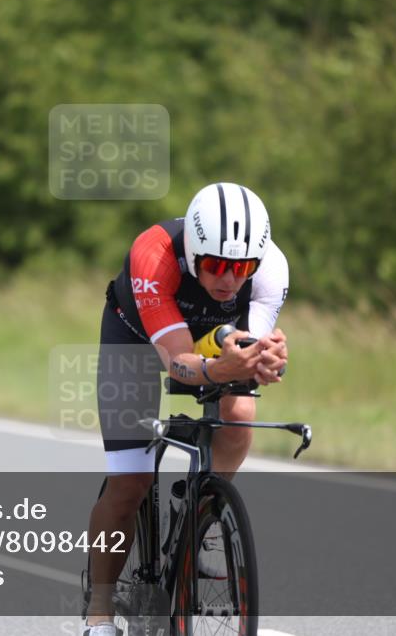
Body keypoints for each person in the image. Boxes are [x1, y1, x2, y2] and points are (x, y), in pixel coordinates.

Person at [84, 182, 289, 636]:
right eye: (215, 265)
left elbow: (245, 344)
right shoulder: (153, 253)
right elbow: (178, 362)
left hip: (211, 338)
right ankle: (99, 610)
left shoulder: (272, 267)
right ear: (194, 253)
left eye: (241, 268)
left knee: (240, 415)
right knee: (129, 484)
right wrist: (223, 367)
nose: (229, 279)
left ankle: (206, 516)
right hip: (136, 341)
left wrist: (262, 360)